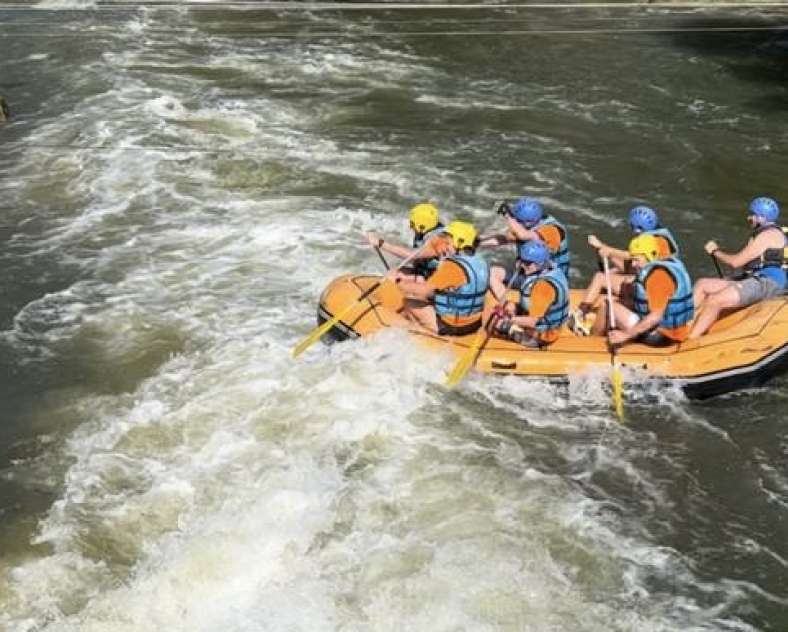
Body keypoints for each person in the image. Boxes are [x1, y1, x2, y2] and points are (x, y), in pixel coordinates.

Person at [571, 205, 681, 335]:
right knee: (611, 274)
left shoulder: (656, 242)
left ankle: (581, 313)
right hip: (651, 281)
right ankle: (588, 309)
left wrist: (606, 248)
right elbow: (635, 261)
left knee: (601, 278)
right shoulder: (659, 237)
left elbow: (635, 257)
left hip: (648, 289)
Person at [689, 196, 787, 339]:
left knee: (715, 300)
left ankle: (691, 340)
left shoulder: (768, 236)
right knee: (703, 284)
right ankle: (684, 324)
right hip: (755, 278)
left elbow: (736, 262)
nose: (749, 218)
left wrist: (715, 251)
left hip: (768, 283)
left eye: (753, 215)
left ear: (762, 217)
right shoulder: (761, 234)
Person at [393, 221, 489, 336]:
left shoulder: (452, 266)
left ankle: (428, 334)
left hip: (452, 326)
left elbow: (422, 292)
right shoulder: (481, 261)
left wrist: (399, 282)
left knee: (409, 302)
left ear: (459, 243)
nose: (446, 247)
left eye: (448, 243)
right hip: (474, 323)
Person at [606, 234, 694, 347]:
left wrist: (625, 335)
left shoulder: (657, 277)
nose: (633, 264)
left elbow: (655, 317)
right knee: (622, 302)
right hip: (674, 329)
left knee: (609, 306)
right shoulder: (668, 264)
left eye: (636, 260)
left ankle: (594, 341)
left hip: (661, 336)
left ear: (649, 256)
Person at [482, 196, 570, 296]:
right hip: (529, 274)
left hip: (548, 280)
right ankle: (507, 304)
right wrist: (479, 241)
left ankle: (511, 306)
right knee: (493, 273)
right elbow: (504, 239)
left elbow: (523, 235)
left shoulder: (553, 231)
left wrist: (507, 215)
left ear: (529, 222)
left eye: (517, 220)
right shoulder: (527, 227)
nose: (515, 221)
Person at [493, 240, 569, 347]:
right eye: (521, 260)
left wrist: (509, 320)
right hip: (548, 320)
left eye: (527, 263)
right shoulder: (554, 269)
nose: (522, 266)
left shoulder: (542, 286)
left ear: (540, 264)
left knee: (496, 324)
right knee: (510, 306)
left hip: (543, 335)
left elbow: (534, 322)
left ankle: (527, 339)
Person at [366, 202, 452, 281]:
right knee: (397, 271)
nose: (411, 227)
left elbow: (411, 255)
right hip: (431, 273)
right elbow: (417, 259)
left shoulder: (438, 240)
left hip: (442, 281)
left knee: (396, 277)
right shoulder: (428, 230)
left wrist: (380, 243)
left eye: (412, 224)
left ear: (422, 226)